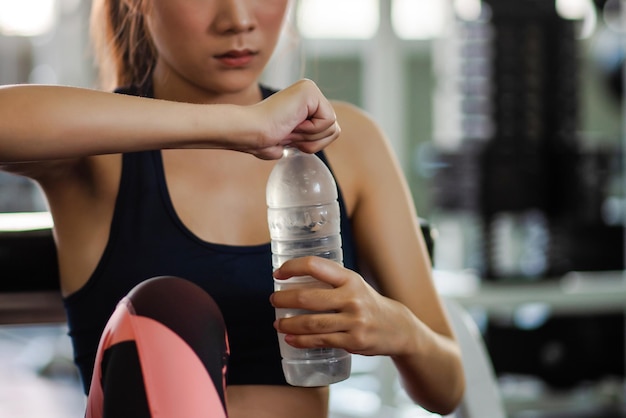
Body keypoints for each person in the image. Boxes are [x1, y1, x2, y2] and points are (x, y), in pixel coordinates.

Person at [0, 0, 465, 417]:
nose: (238, 20)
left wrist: (398, 328)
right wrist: (240, 124)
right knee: (170, 305)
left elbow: (447, 389)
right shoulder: (98, 160)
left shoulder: (351, 145)